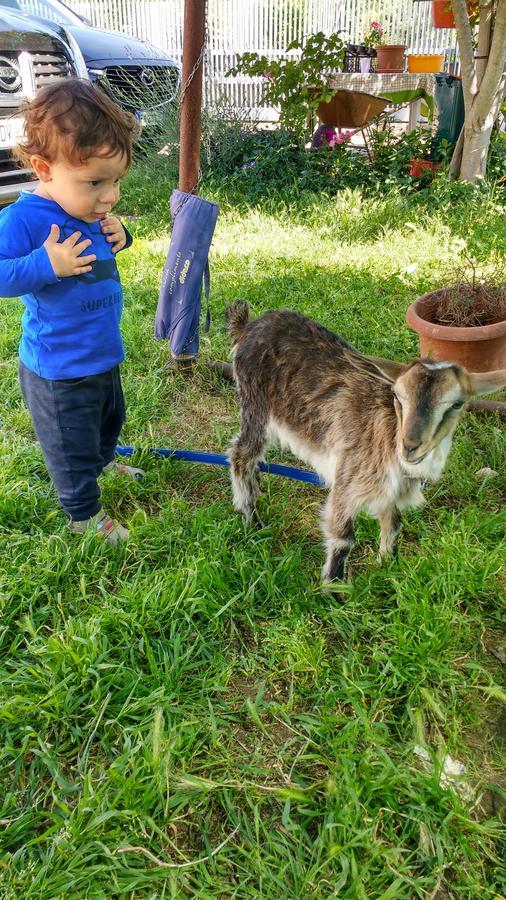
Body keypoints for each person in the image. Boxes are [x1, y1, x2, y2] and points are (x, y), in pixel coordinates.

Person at [0, 78, 144, 545]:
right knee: (70, 446)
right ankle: (84, 514)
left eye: (116, 180)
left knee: (110, 418)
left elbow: (102, 253)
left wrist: (122, 236)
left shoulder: (88, 211)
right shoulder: (24, 220)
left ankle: (106, 459)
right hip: (59, 369)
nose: (110, 196)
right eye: (96, 183)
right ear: (44, 169)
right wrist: (45, 263)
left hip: (102, 352)